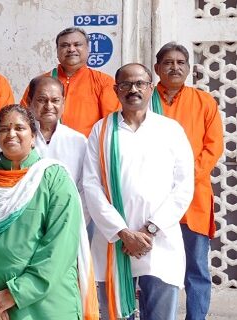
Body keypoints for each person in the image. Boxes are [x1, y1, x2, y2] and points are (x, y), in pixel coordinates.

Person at [0, 105, 98, 319]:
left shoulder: (54, 178)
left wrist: (15, 293)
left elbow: (59, 248)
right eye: (4, 129)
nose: (11, 134)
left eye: (19, 128)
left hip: (44, 307)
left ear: (33, 136)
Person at [83, 63, 194, 319]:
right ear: (116, 90)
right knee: (116, 314)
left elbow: (184, 185)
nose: (133, 89)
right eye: (126, 84)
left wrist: (150, 229)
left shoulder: (170, 130)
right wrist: (123, 233)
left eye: (140, 84)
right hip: (114, 242)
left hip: (160, 243)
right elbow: (91, 185)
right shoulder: (101, 130)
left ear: (150, 88)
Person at [152, 42, 224, 320]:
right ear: (157, 68)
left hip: (194, 197)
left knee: (196, 269)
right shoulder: (146, 98)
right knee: (153, 268)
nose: (175, 67)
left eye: (181, 62)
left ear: (189, 68)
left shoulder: (204, 101)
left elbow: (213, 148)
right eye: (168, 62)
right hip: (154, 198)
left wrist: (182, 179)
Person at [20, 27, 120, 136]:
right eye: (64, 45)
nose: (71, 49)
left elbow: (112, 126)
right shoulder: (40, 83)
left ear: (88, 49)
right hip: (45, 148)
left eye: (77, 45)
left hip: (88, 150)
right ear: (57, 51)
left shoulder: (103, 82)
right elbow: (23, 119)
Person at [26, 76, 87, 202]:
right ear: (29, 101)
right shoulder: (19, 138)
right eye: (42, 100)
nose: (49, 106)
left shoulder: (78, 141)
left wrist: (75, 220)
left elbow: (85, 189)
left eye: (55, 100)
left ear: (63, 103)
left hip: (68, 215)